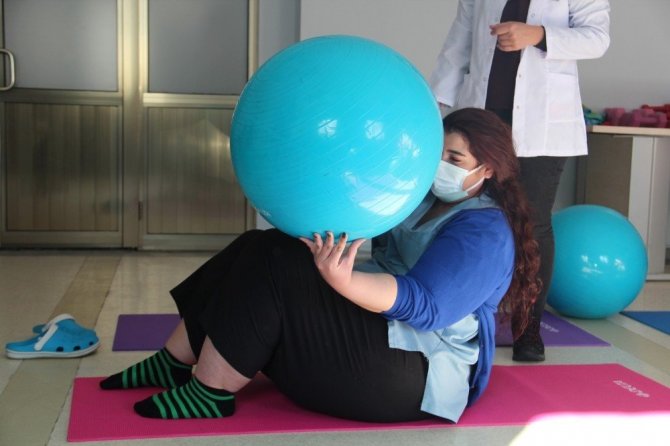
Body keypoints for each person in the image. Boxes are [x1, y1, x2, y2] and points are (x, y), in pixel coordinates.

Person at [99, 108, 540, 424]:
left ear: (486, 170)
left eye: (455, 160)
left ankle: (209, 392)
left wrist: (341, 281)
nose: (440, 166)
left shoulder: (485, 230)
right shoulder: (422, 198)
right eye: (437, 154)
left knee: (274, 261)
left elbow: (427, 306)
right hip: (388, 336)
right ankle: (175, 361)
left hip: (420, 377)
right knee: (266, 244)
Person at [429, 0, 610, 361]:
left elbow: (597, 38)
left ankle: (528, 329)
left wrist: (539, 35)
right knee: (467, 214)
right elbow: (459, 43)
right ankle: (462, 316)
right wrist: (435, 103)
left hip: (543, 121)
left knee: (534, 222)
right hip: (483, 117)